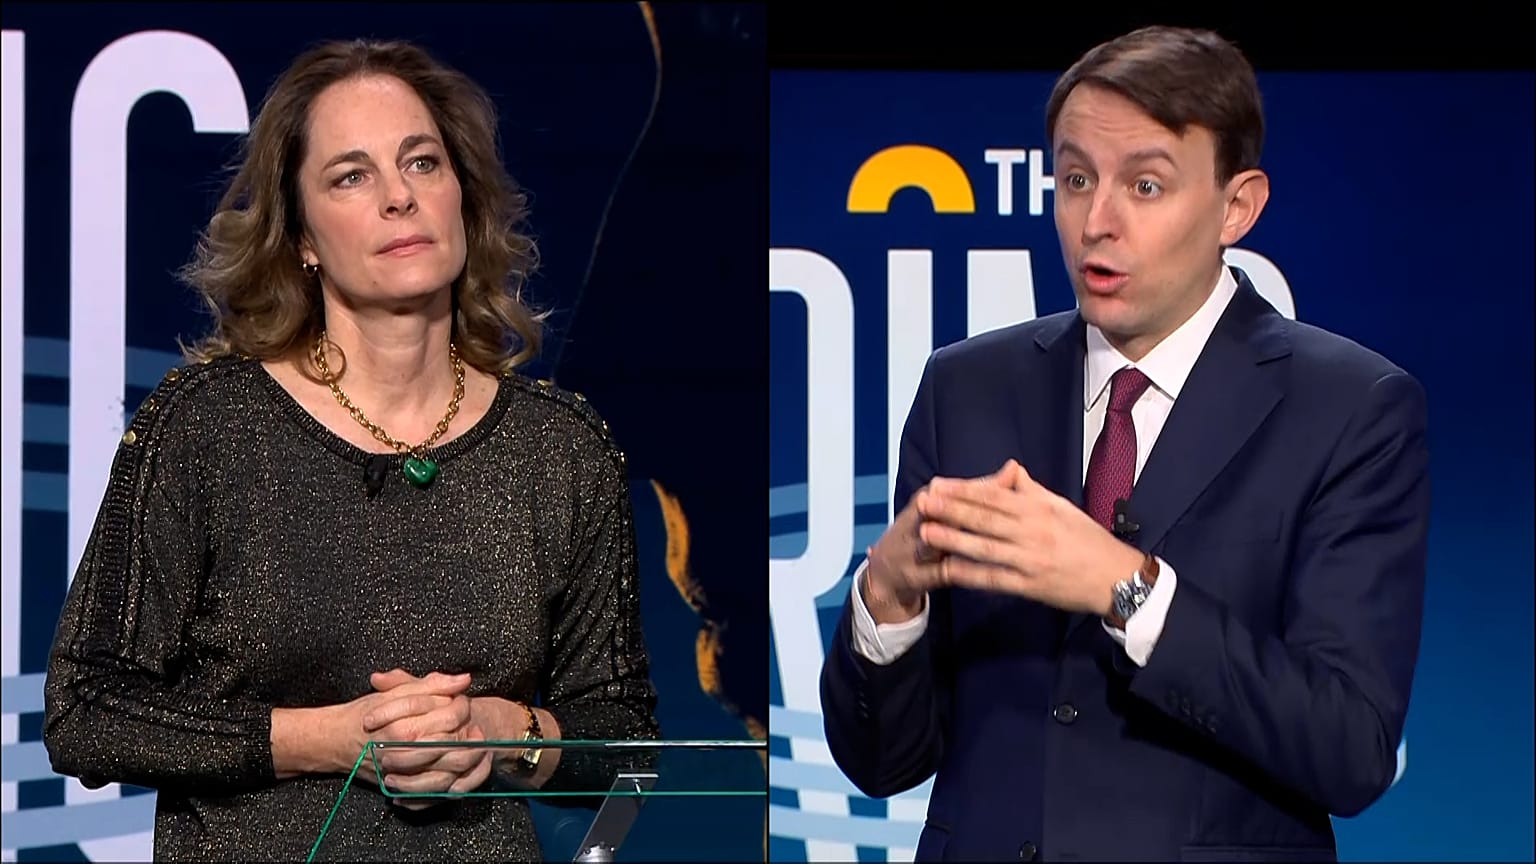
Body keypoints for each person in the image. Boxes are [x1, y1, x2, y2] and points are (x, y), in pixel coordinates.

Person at [819, 25, 1430, 863]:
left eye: (1145, 185)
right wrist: (887, 601)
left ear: (1237, 205)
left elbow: (1350, 749)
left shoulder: (1351, 409)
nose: (1096, 222)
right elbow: (884, 762)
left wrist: (1126, 589)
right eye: (1075, 180)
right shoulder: (965, 389)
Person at [42, 38, 660, 862]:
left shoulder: (561, 449)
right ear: (300, 236)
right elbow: (87, 709)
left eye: (423, 163)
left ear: (464, 201)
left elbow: (626, 740)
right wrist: (337, 739)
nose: (399, 198)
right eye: (351, 176)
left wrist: (502, 730)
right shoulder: (206, 429)